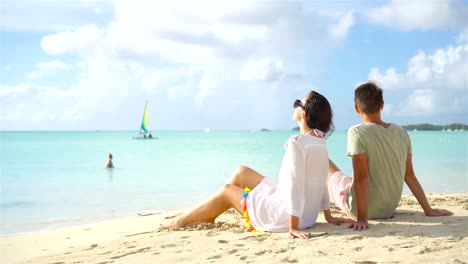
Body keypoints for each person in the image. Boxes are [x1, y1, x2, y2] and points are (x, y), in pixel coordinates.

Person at [159, 91, 352, 239]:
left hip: (284, 216)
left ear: (303, 113)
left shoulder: (297, 143)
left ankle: (180, 221)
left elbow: (295, 187)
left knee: (227, 189)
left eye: (296, 103)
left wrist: (293, 226)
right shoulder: (320, 143)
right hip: (306, 217)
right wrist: (327, 216)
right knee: (241, 172)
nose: (294, 106)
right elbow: (320, 183)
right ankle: (212, 212)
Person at [327, 81, 453, 231]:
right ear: (382, 105)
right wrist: (428, 210)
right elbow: (409, 176)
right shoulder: (401, 132)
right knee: (346, 180)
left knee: (325, 164)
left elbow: (361, 178)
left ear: (356, 108)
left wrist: (361, 218)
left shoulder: (356, 132)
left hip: (362, 210)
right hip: (388, 209)